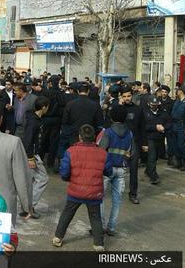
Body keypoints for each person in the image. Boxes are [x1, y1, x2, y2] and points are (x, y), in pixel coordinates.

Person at [53, 124, 112, 252]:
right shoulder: (102, 153)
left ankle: (58, 237)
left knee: (67, 214)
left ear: (80, 137)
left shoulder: (70, 151)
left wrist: (70, 179)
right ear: (95, 137)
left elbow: (64, 172)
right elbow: (108, 171)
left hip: (75, 191)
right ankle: (99, 244)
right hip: (94, 193)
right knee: (95, 217)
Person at [97, 106, 134, 236]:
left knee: (99, 198)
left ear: (112, 117)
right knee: (117, 200)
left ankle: (100, 226)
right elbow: (132, 152)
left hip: (107, 169)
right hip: (122, 169)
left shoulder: (108, 132)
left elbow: (101, 151)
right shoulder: (130, 133)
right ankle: (111, 227)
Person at [112, 85, 143, 204]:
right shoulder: (117, 108)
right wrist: (119, 106)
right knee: (114, 167)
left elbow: (142, 127)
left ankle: (133, 194)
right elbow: (111, 121)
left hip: (133, 142)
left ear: (132, 96)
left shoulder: (138, 109)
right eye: (124, 96)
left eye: (129, 96)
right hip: (118, 142)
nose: (127, 98)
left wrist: (143, 143)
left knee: (133, 169)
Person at [21, 95, 50, 218]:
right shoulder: (33, 122)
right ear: (43, 107)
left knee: (31, 181)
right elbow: (28, 140)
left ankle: (27, 206)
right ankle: (29, 206)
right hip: (32, 156)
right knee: (43, 179)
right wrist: (30, 158)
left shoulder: (33, 118)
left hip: (32, 155)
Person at [60, 82, 104, 159]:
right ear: (88, 91)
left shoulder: (70, 104)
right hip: (89, 134)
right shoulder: (95, 105)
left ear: (77, 91)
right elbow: (100, 122)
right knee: (87, 157)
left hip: (73, 133)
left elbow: (64, 120)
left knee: (74, 156)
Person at [142, 97, 171, 185]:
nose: (154, 107)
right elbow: (143, 126)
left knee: (155, 156)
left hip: (160, 138)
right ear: (149, 104)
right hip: (149, 138)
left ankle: (148, 170)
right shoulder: (144, 113)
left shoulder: (163, 112)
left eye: (156, 105)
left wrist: (163, 127)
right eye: (152, 105)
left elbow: (169, 122)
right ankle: (153, 177)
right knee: (152, 156)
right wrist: (155, 127)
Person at [170, 85, 185, 170]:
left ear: (181, 91)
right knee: (175, 145)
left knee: (181, 145)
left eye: (178, 90)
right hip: (174, 126)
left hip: (182, 127)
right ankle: (178, 161)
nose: (176, 91)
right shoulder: (177, 101)